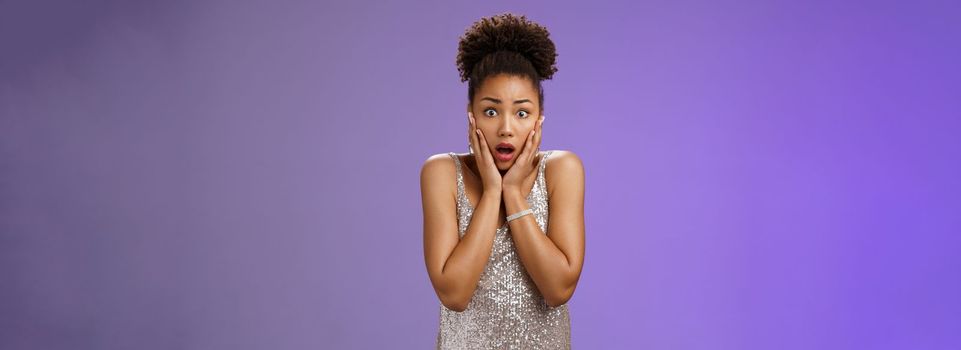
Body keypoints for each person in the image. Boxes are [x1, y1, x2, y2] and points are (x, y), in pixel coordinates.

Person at [420, 12, 586, 349]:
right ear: (472, 115)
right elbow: (454, 293)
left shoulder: (561, 169)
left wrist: (513, 193)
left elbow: (558, 290)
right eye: (491, 111)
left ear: (539, 118)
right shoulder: (442, 173)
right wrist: (493, 188)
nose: (506, 128)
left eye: (522, 112)